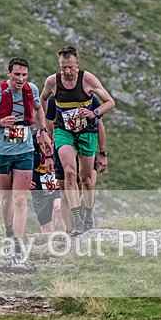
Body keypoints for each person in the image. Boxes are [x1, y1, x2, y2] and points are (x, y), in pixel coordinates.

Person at [0, 57, 52, 267]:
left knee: (20, 199)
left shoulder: (32, 89)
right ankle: (9, 232)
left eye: (24, 75)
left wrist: (42, 130)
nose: (20, 79)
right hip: (1, 152)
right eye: (17, 74)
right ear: (8, 73)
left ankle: (17, 245)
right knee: (6, 198)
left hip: (25, 151)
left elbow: (38, 108)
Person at [40, 46, 114, 235]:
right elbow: (42, 100)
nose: (67, 72)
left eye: (70, 67)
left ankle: (88, 214)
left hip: (86, 131)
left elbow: (110, 102)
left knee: (87, 180)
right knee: (70, 171)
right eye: (63, 67)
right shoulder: (52, 81)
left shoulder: (87, 79)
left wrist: (93, 113)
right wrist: (44, 126)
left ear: (77, 64)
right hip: (64, 131)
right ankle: (77, 219)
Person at [46, 94, 109, 232]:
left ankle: (87, 217)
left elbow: (101, 127)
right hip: (64, 146)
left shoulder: (91, 99)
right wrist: (48, 156)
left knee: (87, 183)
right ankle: (72, 229)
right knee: (64, 192)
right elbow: (49, 129)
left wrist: (103, 153)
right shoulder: (53, 100)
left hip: (85, 142)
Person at [29, 137, 63, 233]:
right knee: (47, 228)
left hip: (57, 185)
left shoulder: (60, 138)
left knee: (59, 208)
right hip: (39, 188)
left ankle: (62, 239)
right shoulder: (31, 143)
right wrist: (25, 180)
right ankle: (50, 244)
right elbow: (21, 162)